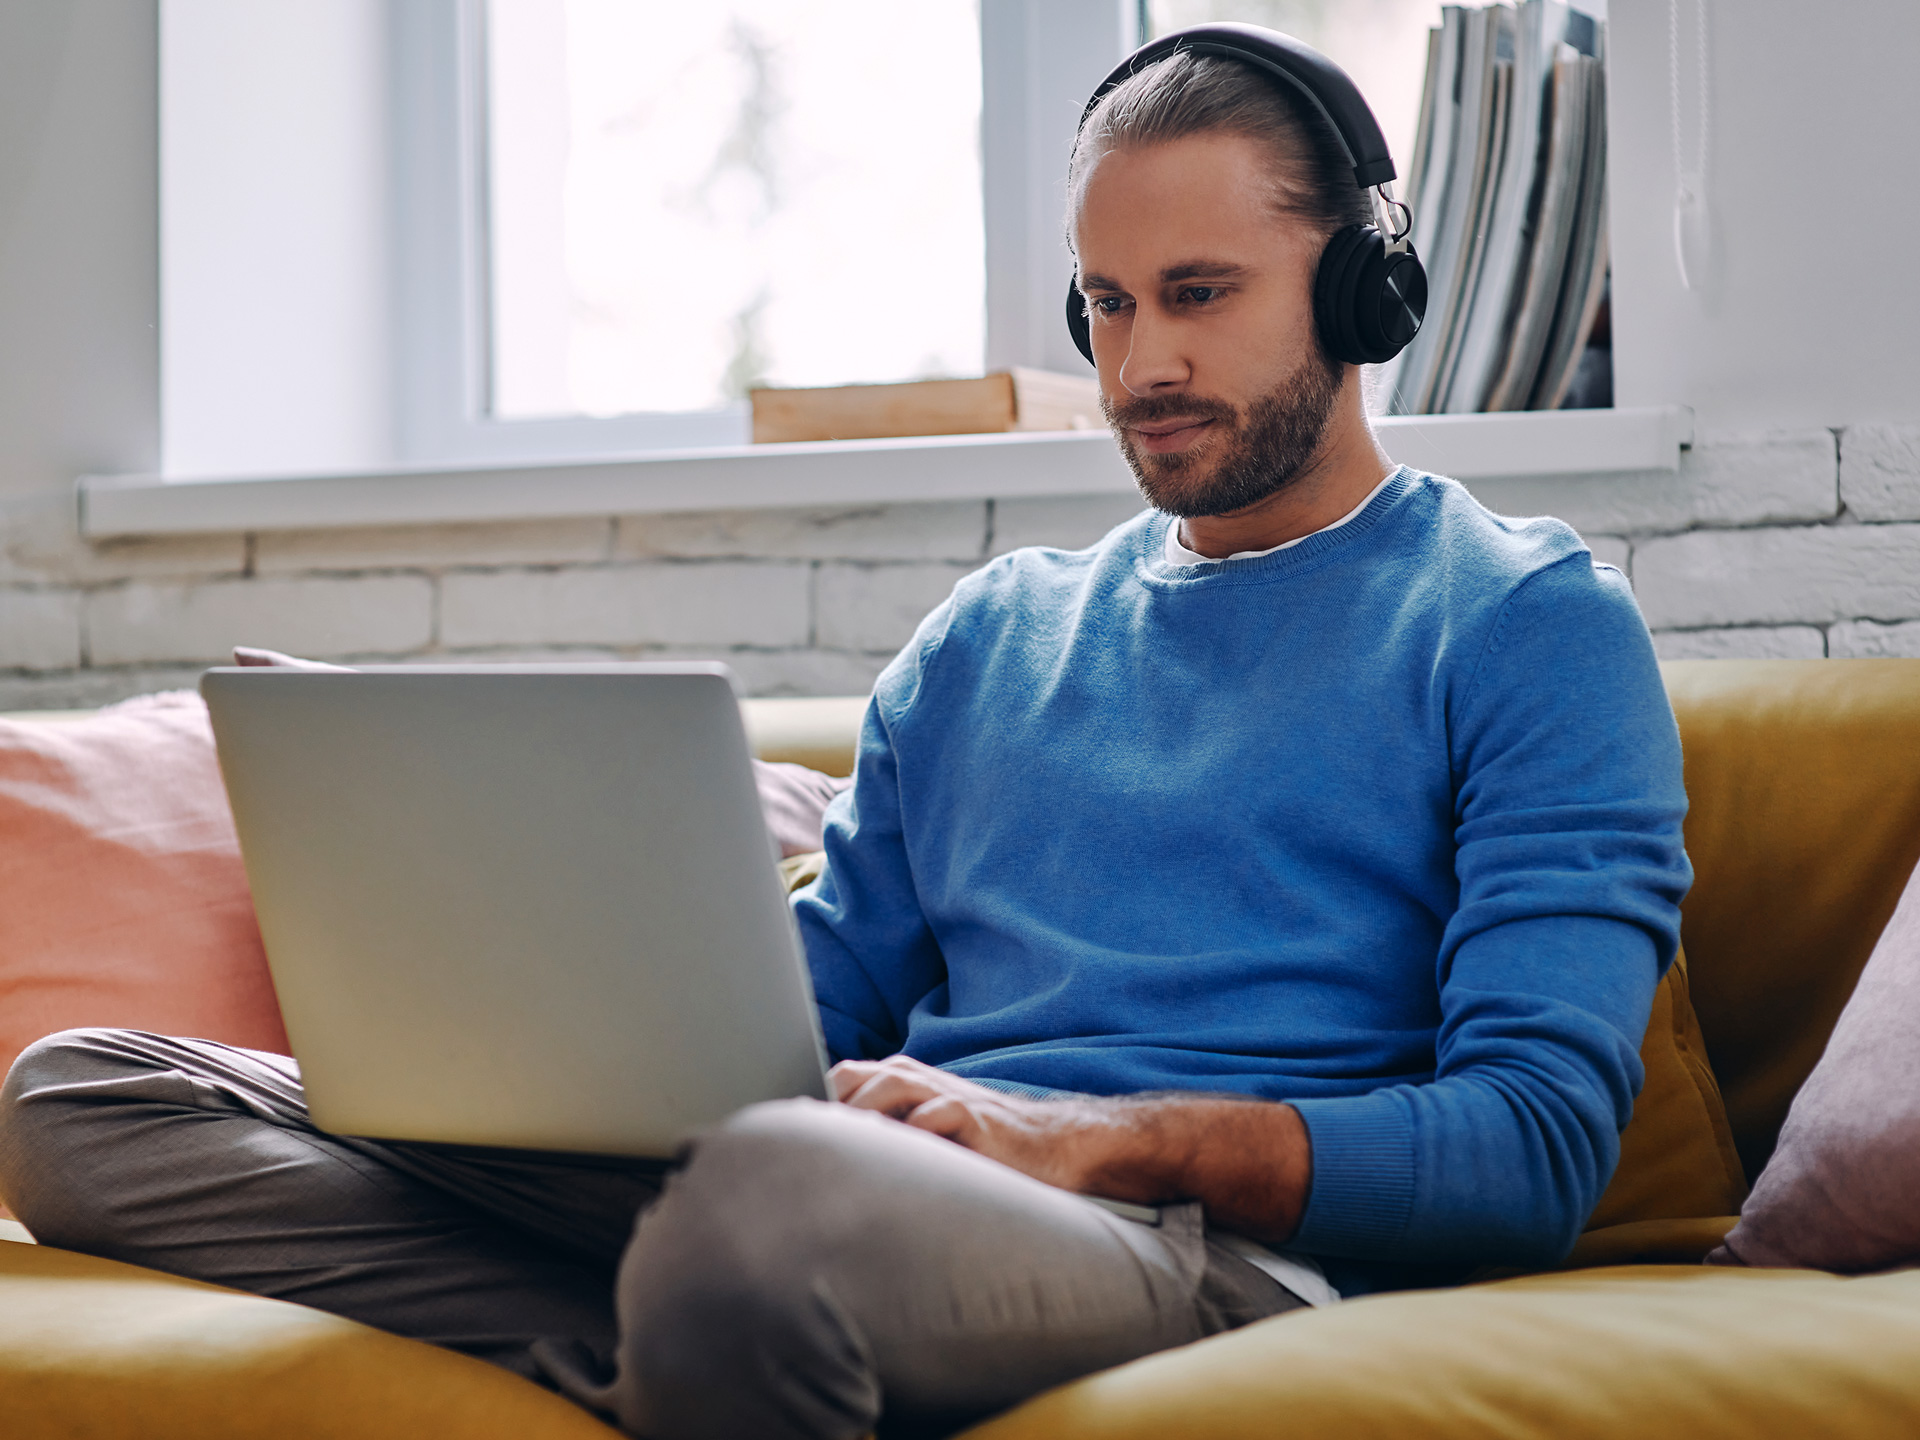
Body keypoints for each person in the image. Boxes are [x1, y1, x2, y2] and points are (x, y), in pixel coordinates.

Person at [0, 34, 1689, 1440]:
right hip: (862, 1200)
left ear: (1361, 288)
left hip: (1190, 1243)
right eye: (1105, 303)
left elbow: (1530, 1147)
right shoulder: (990, 635)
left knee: (766, 1212)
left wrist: (1104, 1134)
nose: (1142, 363)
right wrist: (536, 984)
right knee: (81, 1099)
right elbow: (804, 1023)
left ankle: (714, 1315)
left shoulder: (1525, 623)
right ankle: (695, 1343)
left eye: (1199, 293)